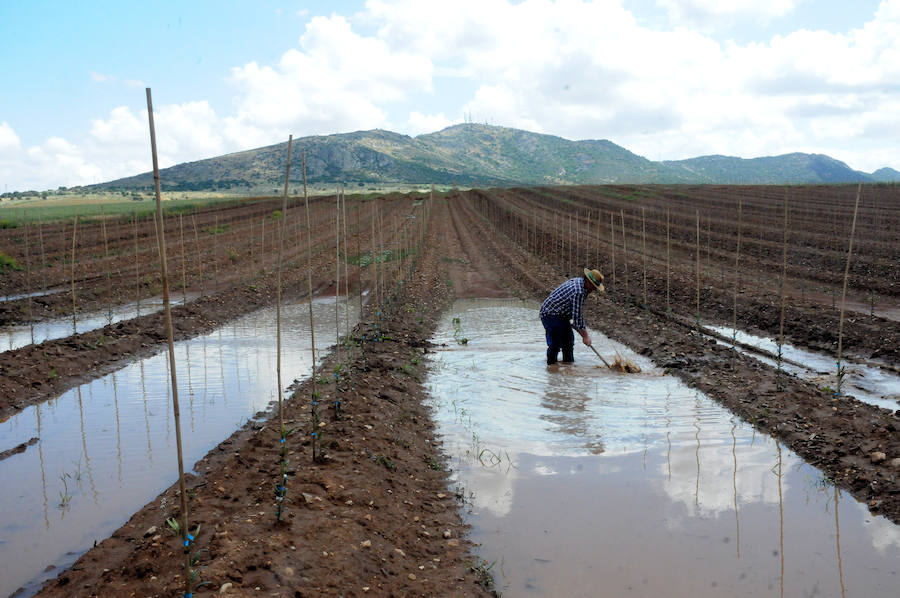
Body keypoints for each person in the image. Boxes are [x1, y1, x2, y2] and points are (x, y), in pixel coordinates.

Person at [539, 268, 605, 365]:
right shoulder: (579, 291)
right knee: (555, 343)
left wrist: (581, 330)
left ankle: (568, 367)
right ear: (587, 281)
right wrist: (585, 336)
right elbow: (577, 316)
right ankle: (552, 369)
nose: (594, 289)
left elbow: (576, 315)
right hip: (550, 313)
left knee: (568, 342)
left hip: (562, 314)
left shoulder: (582, 285)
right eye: (593, 286)